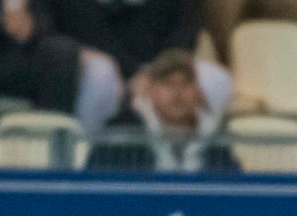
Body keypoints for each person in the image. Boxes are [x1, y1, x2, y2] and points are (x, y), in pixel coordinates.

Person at [42, 0, 232, 133]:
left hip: (161, 64)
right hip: (103, 60)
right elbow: (85, 28)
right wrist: (132, 72)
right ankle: (93, 151)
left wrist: (158, 72)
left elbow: (186, 27)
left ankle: (196, 158)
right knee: (100, 75)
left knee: (216, 80)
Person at [85, 48, 235, 172]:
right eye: (167, 83)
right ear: (150, 90)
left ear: (197, 91)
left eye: (185, 83)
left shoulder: (216, 139)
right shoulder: (123, 133)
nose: (177, 92)